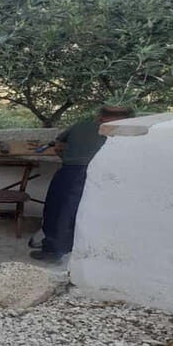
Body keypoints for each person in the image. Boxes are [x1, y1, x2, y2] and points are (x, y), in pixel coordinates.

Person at [30, 105, 134, 262]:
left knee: (59, 211)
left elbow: (58, 146)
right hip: (105, 175)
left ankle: (53, 250)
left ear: (100, 116)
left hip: (72, 172)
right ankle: (77, 248)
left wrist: (68, 157)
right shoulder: (124, 131)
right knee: (85, 212)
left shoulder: (81, 125)